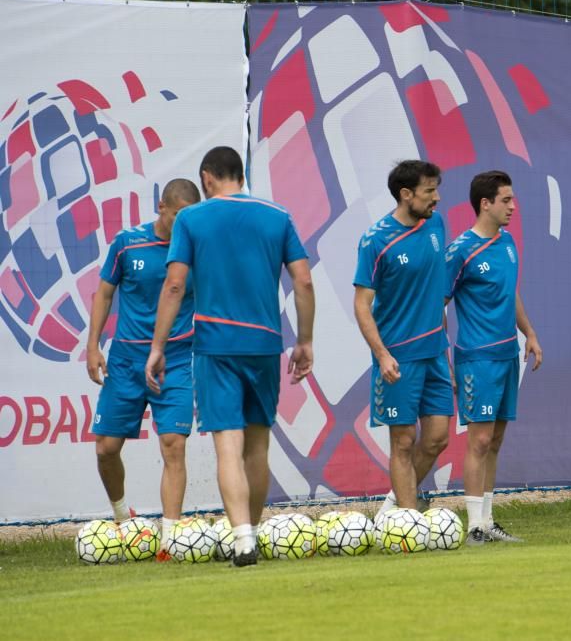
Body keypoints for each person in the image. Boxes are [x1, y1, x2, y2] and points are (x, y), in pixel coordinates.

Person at [145, 147, 315, 566]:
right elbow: (304, 281)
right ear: (240, 174)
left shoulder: (190, 219)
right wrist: (305, 341)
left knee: (227, 447)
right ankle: (250, 534)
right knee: (257, 448)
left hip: (215, 346)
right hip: (264, 344)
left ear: (206, 178)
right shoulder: (278, 215)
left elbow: (174, 286)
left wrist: (158, 346)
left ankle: (242, 540)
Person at [87, 179, 200, 559]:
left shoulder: (199, 249)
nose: (186, 224)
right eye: (180, 216)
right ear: (162, 208)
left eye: (192, 217)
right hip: (125, 360)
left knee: (174, 446)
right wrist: (92, 346)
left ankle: (170, 540)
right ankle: (123, 517)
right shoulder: (127, 243)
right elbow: (104, 292)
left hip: (177, 359)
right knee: (106, 448)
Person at [445, 170, 542, 544]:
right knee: (479, 441)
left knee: (496, 440)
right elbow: (439, 303)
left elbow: (510, 293)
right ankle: (473, 528)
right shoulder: (461, 250)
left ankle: (487, 521)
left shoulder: (508, 244)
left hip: (507, 356)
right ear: (485, 203)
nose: (513, 207)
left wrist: (529, 333)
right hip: (477, 359)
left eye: (513, 200)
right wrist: (446, 359)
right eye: (506, 200)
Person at [353, 160, 452, 514]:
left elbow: (436, 294)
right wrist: (381, 355)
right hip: (399, 357)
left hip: (436, 353)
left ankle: (392, 509)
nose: (437, 198)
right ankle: (409, 525)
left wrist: (448, 354)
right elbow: (362, 305)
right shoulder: (376, 240)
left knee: (438, 438)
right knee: (404, 442)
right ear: (406, 194)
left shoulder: (437, 224)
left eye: (436, 189)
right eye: (429, 191)